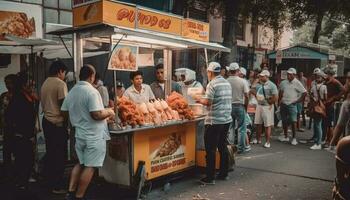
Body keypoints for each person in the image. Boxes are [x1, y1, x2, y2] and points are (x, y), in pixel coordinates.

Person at [61, 64, 115, 200]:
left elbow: (63, 111)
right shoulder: (92, 92)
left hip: (79, 134)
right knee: (90, 166)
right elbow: (96, 114)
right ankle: (79, 196)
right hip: (93, 136)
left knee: (80, 163)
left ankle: (70, 192)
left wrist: (76, 120)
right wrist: (109, 111)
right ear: (92, 76)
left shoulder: (72, 91)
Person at [196, 62, 232, 185]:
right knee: (222, 147)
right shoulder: (226, 82)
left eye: (208, 72)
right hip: (226, 120)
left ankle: (210, 177)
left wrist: (198, 98)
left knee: (210, 149)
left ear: (210, 72)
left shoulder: (212, 84)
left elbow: (208, 102)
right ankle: (224, 173)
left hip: (214, 121)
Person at [40, 60, 69, 194]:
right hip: (57, 123)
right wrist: (68, 124)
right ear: (60, 72)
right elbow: (64, 107)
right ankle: (57, 185)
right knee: (60, 156)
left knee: (51, 153)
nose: (64, 75)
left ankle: (48, 182)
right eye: (64, 73)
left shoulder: (45, 82)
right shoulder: (60, 84)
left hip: (46, 122)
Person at [6, 72, 36, 190]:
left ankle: (22, 181)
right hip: (21, 134)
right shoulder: (19, 98)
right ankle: (21, 182)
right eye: (30, 83)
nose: (32, 85)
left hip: (25, 134)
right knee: (23, 158)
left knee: (25, 158)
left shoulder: (25, 96)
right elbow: (10, 116)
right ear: (24, 85)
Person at [278, 68, 307, 145]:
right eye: (288, 74)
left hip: (292, 104)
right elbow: (280, 92)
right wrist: (279, 102)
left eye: (290, 74)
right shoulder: (283, 82)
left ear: (294, 75)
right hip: (283, 103)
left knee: (293, 121)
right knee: (284, 120)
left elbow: (304, 92)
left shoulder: (297, 83)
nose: (288, 75)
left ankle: (294, 138)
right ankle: (286, 136)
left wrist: (298, 101)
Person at [226, 63, 249, 153]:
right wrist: (246, 107)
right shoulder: (243, 81)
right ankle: (240, 148)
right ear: (238, 70)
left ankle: (231, 147)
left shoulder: (226, 81)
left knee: (230, 127)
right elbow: (247, 95)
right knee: (241, 128)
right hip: (239, 105)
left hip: (228, 106)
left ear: (230, 71)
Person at [254, 70, 278, 148]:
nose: (260, 77)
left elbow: (275, 96)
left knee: (267, 125)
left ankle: (267, 142)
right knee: (258, 123)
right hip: (259, 105)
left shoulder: (272, 85)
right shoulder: (258, 84)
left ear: (267, 77)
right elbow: (252, 90)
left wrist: (270, 102)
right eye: (260, 76)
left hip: (267, 107)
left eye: (262, 76)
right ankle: (258, 139)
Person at [323, 67, 345, 147]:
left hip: (332, 105)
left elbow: (343, 90)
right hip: (326, 105)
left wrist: (334, 98)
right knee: (326, 123)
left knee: (330, 124)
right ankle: (326, 139)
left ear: (329, 74)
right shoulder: (326, 82)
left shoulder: (335, 82)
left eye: (326, 74)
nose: (325, 75)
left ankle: (329, 141)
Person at [0, 74, 17, 174]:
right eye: (6, 83)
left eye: (10, 83)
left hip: (15, 127)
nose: (8, 85)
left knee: (15, 150)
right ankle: (7, 171)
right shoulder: (3, 96)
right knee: (7, 149)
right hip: (5, 126)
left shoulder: (18, 96)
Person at [329, 72, 350, 150]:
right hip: (347, 102)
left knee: (341, 125)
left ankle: (333, 144)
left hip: (347, 102)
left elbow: (345, 89)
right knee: (343, 125)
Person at [309, 71, 327, 150]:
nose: (317, 78)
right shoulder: (324, 87)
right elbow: (325, 98)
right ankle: (318, 141)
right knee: (318, 124)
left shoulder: (313, 87)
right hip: (321, 107)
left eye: (318, 77)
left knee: (317, 125)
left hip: (315, 106)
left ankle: (318, 143)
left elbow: (311, 96)